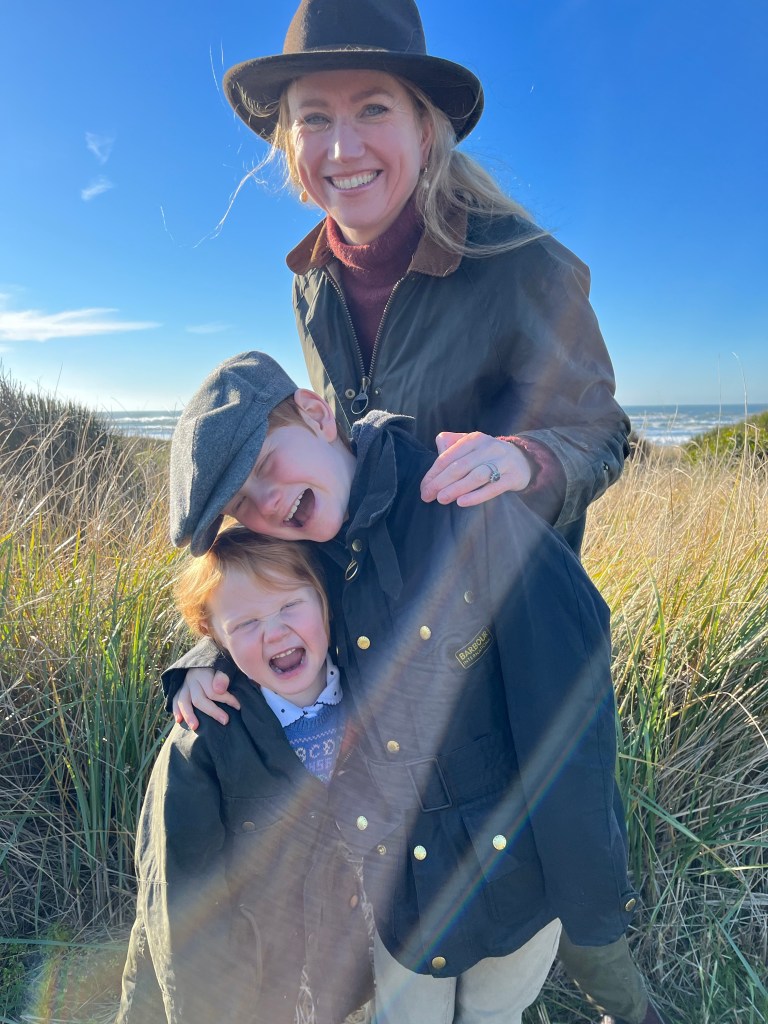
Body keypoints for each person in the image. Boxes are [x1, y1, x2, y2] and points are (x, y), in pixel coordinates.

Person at [163, 350, 640, 1024]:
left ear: (316, 413)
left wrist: (595, 924)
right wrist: (204, 659)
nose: (266, 501)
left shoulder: (463, 502)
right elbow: (254, 606)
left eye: (266, 464)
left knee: (495, 1016)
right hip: (402, 899)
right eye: (242, 504)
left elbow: (571, 717)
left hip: (518, 886)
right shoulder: (304, 547)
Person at [115, 528, 373, 1024]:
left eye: (290, 605)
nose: (274, 633)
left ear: (325, 599)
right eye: (247, 623)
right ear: (214, 637)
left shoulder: (371, 688)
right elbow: (182, 908)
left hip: (335, 984)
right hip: (243, 996)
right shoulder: (204, 737)